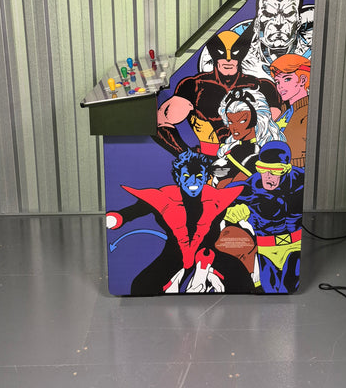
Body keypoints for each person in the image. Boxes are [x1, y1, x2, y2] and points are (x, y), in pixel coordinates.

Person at [106, 149, 252, 294]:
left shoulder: (218, 197)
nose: (193, 182)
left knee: (241, 279)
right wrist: (116, 218)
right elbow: (136, 210)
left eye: (199, 176)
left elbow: (249, 198)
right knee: (141, 286)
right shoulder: (164, 197)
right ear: (178, 177)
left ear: (206, 177)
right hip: (173, 256)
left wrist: (242, 210)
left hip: (208, 254)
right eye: (187, 176)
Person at [155, 29, 281, 157]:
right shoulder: (194, 86)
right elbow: (160, 122)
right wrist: (185, 156)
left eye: (234, 53)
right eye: (222, 53)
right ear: (213, 52)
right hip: (208, 157)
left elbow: (274, 126)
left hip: (250, 157)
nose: (228, 59)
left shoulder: (260, 86)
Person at [220, 141, 304, 293]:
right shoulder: (251, 188)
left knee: (288, 289)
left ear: (286, 169)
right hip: (266, 249)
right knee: (269, 290)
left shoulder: (301, 181)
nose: (268, 176)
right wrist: (231, 211)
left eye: (275, 171)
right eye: (262, 169)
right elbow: (217, 201)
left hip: (295, 246)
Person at [211, 87, 286, 187]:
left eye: (242, 121)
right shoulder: (231, 148)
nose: (234, 127)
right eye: (230, 122)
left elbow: (231, 186)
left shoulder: (259, 154)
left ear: (256, 120)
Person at [239, 0, 314, 78]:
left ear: (298, 22)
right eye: (269, 14)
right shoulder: (244, 53)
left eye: (288, 14)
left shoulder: (312, 46)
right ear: (257, 23)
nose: (279, 22)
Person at [270, 53, 310, 167]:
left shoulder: (308, 112)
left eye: (287, 79)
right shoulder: (284, 111)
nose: (280, 86)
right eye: (277, 82)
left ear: (302, 80)